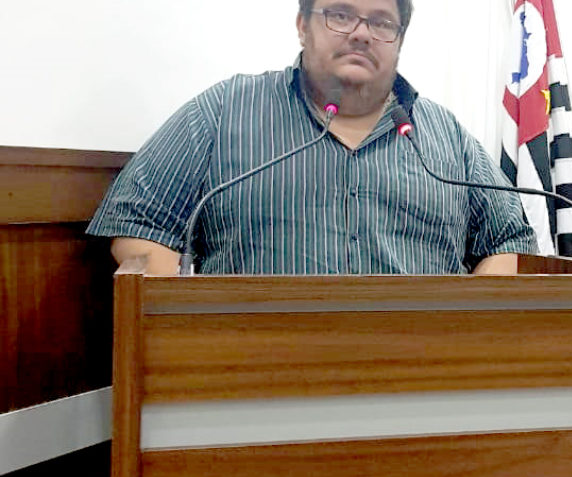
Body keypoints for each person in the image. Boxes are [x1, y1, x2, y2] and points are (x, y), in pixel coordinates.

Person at [87, 0, 536, 275]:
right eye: (340, 15)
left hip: (418, 386)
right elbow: (138, 225)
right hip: (249, 387)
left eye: (381, 23)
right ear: (303, 25)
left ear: (399, 40)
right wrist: (197, 331)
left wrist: (463, 333)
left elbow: (509, 238)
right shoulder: (222, 113)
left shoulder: (448, 139)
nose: (361, 33)